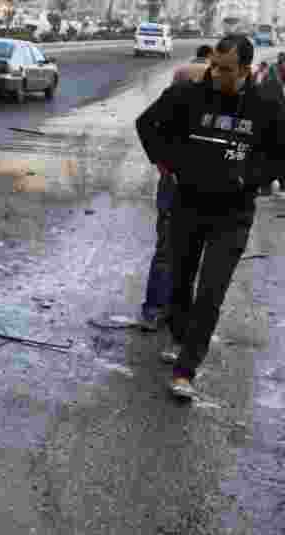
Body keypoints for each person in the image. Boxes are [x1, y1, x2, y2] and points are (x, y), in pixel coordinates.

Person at [135, 34, 285, 398]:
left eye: (226, 69)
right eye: (214, 65)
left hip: (233, 213)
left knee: (212, 289)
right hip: (187, 203)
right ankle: (179, 334)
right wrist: (168, 164)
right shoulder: (189, 94)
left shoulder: (267, 104)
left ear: (246, 70)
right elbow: (147, 125)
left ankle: (186, 369)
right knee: (181, 280)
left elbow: (279, 156)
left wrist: (250, 177)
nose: (216, 74)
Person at [139, 43, 213, 330]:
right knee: (187, 252)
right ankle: (171, 313)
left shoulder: (182, 76)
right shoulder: (207, 85)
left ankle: (155, 310)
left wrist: (162, 163)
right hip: (189, 183)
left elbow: (149, 124)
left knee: (167, 248)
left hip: (175, 179)